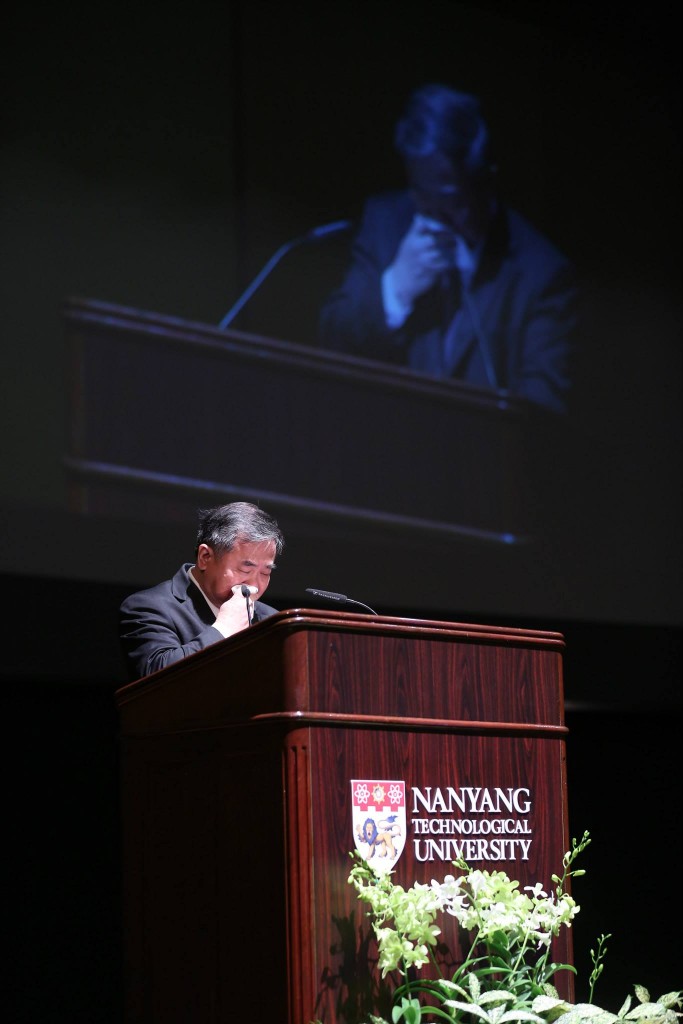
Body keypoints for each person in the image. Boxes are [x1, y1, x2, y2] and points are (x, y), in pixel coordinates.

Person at [319, 84, 578, 415]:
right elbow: (332, 339)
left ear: (485, 183)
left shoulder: (542, 274)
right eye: (421, 195)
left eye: (450, 200)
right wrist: (395, 289)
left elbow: (540, 411)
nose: (431, 215)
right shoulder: (385, 223)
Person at [119, 501, 284, 681]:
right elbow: (158, 678)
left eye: (265, 572)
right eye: (245, 569)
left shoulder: (271, 619)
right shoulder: (148, 607)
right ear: (205, 557)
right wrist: (224, 629)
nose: (254, 585)